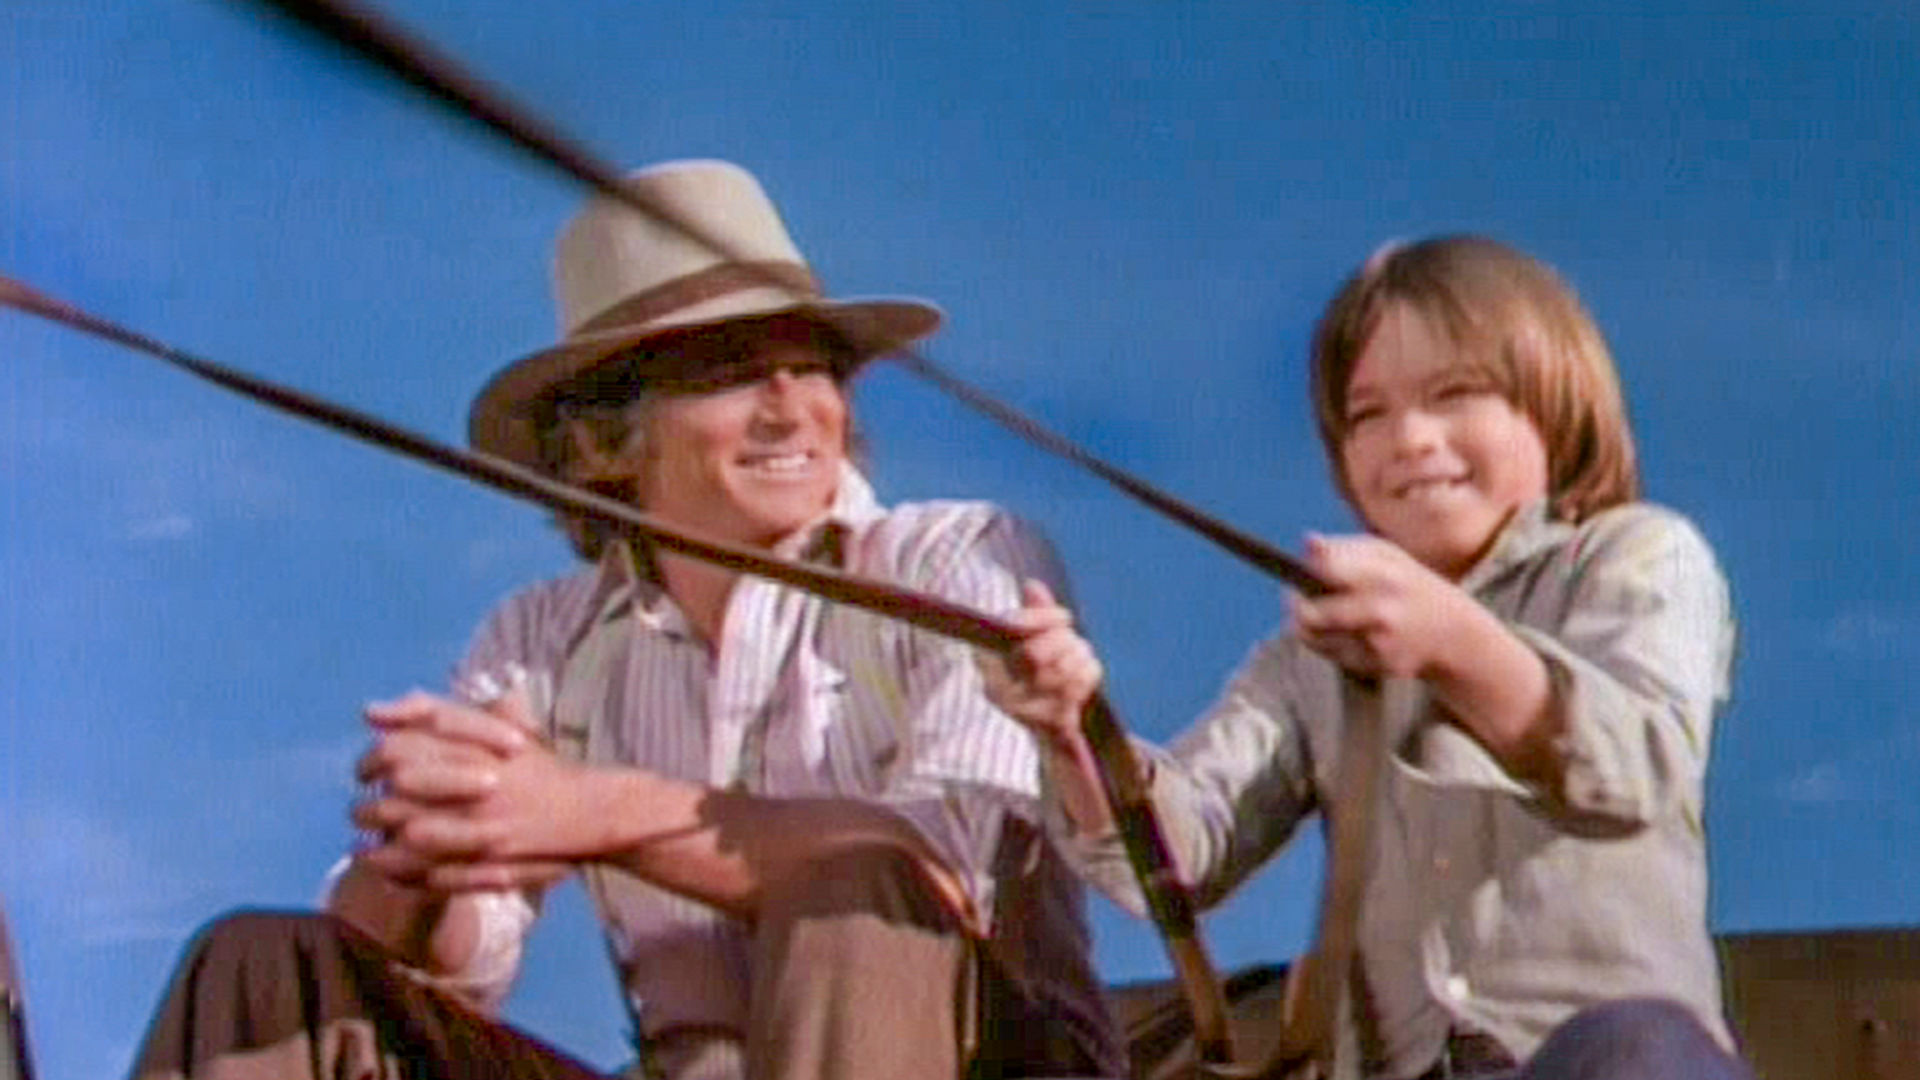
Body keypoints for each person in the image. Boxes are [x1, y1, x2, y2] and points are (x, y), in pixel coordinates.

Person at [128, 160, 1119, 1080]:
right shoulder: (540, 639)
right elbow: (461, 964)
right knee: (261, 966)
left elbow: (948, 871)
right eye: (729, 369)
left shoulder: (959, 560)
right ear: (607, 435)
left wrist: (597, 810)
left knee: (854, 891)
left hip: (990, 1063)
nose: (789, 407)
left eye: (811, 364)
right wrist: (430, 850)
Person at [983, 236, 1754, 1080]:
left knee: (1640, 1043)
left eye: (1454, 394)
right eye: (1368, 414)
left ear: (1554, 403)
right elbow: (1183, 852)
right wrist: (1072, 733)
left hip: (1599, 1061)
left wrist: (1451, 642)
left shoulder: (1635, 557)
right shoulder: (1310, 657)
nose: (1410, 438)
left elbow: (1639, 760)